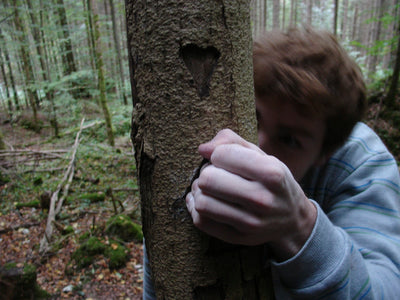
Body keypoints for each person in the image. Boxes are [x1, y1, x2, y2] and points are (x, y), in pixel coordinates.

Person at [144, 27, 400, 299]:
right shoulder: (209, 131)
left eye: (288, 139)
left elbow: (387, 288)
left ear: (325, 152)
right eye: (253, 117)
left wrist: (300, 229)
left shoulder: (363, 162)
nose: (258, 148)